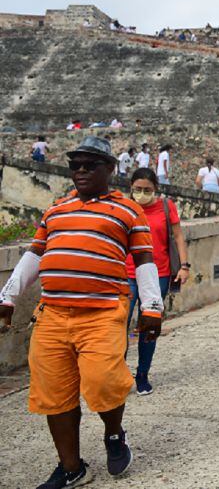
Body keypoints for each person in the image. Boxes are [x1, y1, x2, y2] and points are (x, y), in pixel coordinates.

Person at [0, 136, 162, 486]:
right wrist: (8, 297)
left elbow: (144, 258)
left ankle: (114, 434)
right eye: (76, 165)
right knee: (53, 394)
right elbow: (35, 254)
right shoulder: (56, 209)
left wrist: (151, 306)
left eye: (91, 164)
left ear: (110, 169)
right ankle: (72, 467)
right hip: (53, 313)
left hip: (102, 310)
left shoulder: (127, 209)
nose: (82, 170)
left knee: (104, 382)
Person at [126, 168, 190, 394]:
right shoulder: (125, 207)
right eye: (137, 189)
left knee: (149, 326)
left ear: (155, 189)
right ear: (130, 188)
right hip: (127, 272)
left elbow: (178, 236)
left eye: (147, 190)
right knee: (118, 326)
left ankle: (142, 373)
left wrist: (184, 266)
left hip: (158, 273)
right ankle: (118, 375)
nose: (142, 194)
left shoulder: (165, 207)